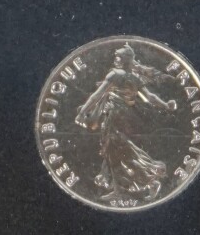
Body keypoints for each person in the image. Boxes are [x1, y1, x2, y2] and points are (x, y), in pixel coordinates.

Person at [74, 42, 177, 202]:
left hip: (112, 115)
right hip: (124, 116)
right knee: (114, 151)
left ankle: (150, 180)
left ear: (125, 59)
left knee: (118, 150)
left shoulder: (115, 74)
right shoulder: (135, 78)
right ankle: (119, 189)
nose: (115, 59)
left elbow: (96, 95)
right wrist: (165, 105)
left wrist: (82, 112)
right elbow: (150, 97)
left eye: (118, 57)